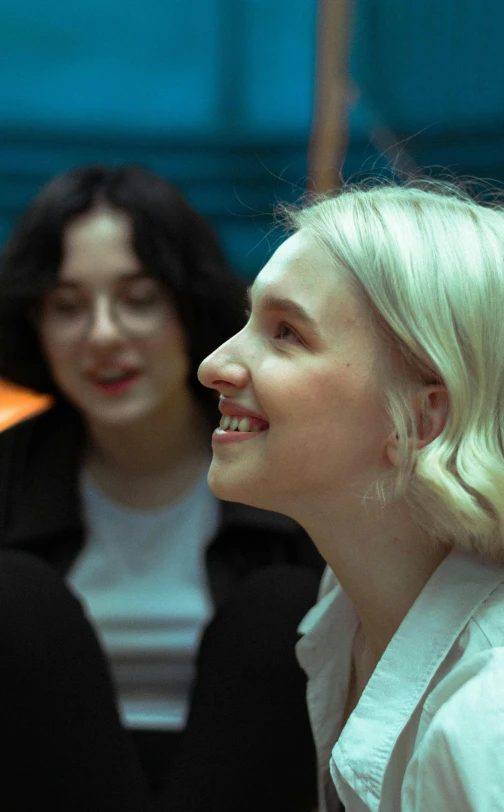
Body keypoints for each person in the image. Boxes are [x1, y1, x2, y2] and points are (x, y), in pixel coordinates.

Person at [0, 164, 324, 812]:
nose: (103, 335)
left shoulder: (296, 471)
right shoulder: (9, 475)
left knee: (283, 610)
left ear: (190, 306)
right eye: (67, 306)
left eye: (138, 298)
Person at [198, 179, 504, 812]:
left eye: (286, 333)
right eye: (247, 320)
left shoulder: (486, 718)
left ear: (419, 421)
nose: (213, 365)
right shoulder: (341, 606)